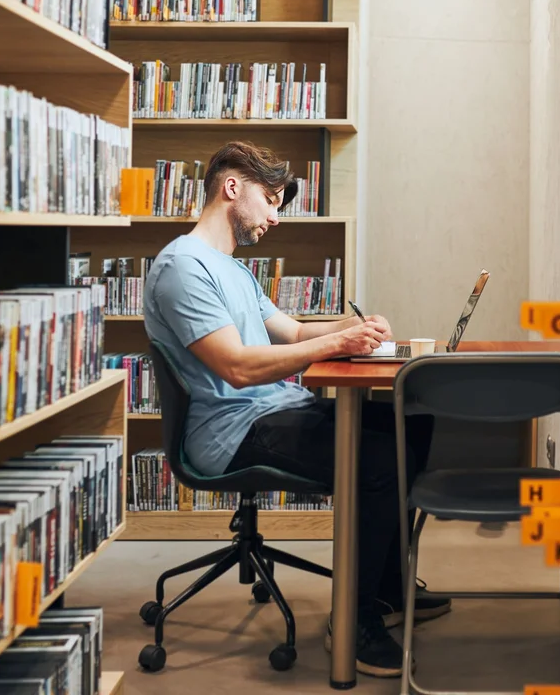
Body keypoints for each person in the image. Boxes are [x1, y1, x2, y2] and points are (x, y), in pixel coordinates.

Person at [143, 141, 450, 678]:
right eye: (271, 200)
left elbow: (295, 332)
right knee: (377, 461)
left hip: (273, 411)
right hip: (231, 431)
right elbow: (236, 367)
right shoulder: (182, 268)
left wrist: (354, 330)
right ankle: (354, 624)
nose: (275, 217)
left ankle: (383, 593)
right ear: (231, 187)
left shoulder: (233, 269)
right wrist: (336, 346)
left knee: (409, 425)